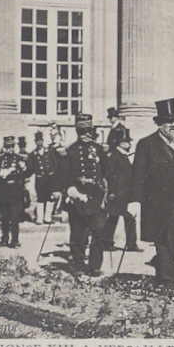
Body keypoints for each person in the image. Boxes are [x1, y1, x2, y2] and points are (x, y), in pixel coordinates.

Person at [131, 98, 174, 288]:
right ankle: (168, 281)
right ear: (159, 124)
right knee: (165, 239)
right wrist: (134, 200)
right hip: (158, 203)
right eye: (168, 121)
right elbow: (137, 174)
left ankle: (161, 263)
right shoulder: (147, 144)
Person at [57, 114, 110, 276]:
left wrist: (109, 191)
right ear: (77, 131)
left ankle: (95, 266)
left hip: (96, 197)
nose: (86, 134)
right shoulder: (70, 151)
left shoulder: (99, 149)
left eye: (89, 131)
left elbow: (107, 172)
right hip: (78, 197)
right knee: (79, 234)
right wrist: (70, 189)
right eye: (82, 131)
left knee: (99, 233)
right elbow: (63, 175)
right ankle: (78, 264)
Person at [0, 136, 29, 248]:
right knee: (4, 217)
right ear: (4, 147)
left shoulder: (19, 159)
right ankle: (4, 238)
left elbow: (25, 175)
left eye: (12, 146)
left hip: (15, 192)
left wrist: (23, 169)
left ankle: (15, 240)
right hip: (3, 193)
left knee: (15, 218)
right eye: (8, 146)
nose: (10, 149)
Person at [105, 126, 140, 252]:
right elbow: (110, 175)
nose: (129, 144)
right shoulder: (115, 156)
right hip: (117, 194)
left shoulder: (123, 156)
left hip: (125, 194)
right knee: (115, 219)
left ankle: (129, 244)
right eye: (126, 142)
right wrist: (112, 192)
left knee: (123, 218)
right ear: (120, 143)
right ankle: (108, 243)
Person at [27, 131, 58, 225]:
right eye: (37, 141)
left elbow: (55, 164)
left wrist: (56, 177)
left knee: (50, 198)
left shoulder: (49, 152)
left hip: (50, 178)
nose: (39, 143)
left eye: (40, 141)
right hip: (40, 179)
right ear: (35, 142)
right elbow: (30, 169)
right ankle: (39, 219)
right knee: (40, 198)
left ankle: (47, 218)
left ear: (43, 141)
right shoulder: (33, 154)